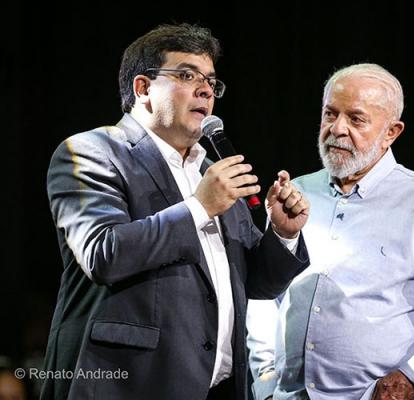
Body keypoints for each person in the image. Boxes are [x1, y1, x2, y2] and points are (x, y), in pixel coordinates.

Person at [42, 23, 310, 400]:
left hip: (219, 389)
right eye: (186, 75)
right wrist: (200, 207)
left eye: (211, 81)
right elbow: (103, 253)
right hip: (128, 386)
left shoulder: (207, 172)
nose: (205, 89)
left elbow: (258, 283)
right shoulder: (92, 152)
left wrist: (282, 233)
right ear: (143, 88)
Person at [245, 63, 414, 400]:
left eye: (356, 119)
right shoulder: (296, 193)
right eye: (330, 114)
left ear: (392, 132)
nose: (337, 129)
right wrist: (265, 379)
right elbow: (264, 296)